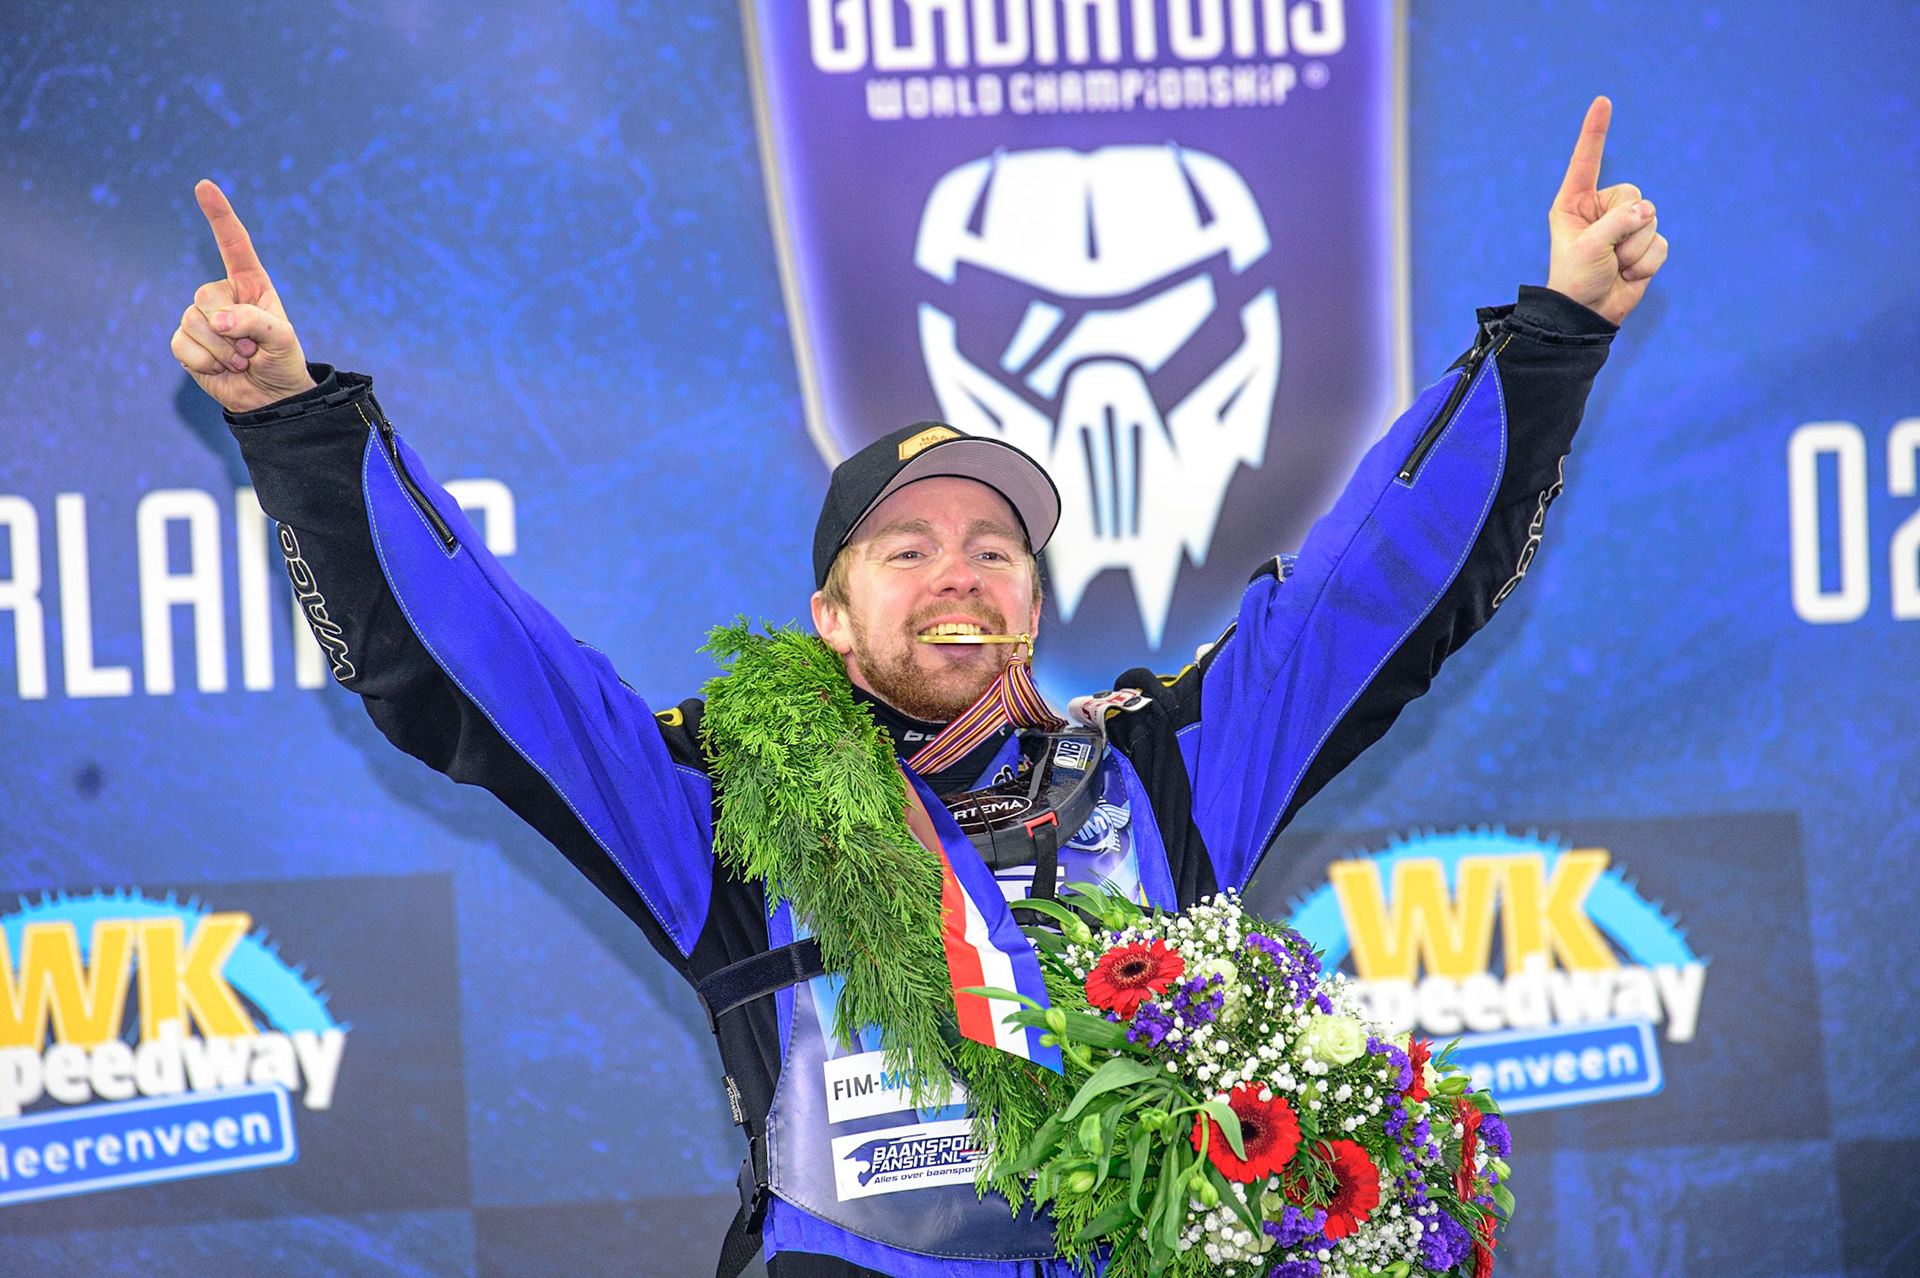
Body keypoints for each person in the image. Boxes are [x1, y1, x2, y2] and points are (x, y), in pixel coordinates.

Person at [170, 97, 1665, 1278]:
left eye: (994, 546)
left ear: (1034, 593)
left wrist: (1555, 332)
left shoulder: (1159, 769)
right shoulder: (718, 806)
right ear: (829, 613)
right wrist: (299, 426)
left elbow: (1374, 586)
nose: (959, 573)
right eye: (907, 548)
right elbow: (487, 668)